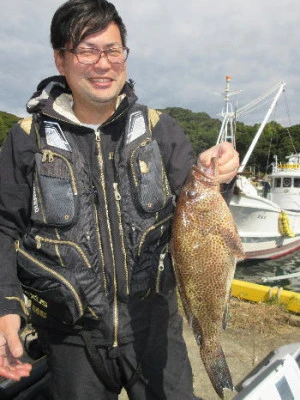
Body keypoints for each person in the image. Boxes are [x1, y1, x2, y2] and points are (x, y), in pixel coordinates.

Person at [0, 0, 239, 399]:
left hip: (154, 329)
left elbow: (199, 212)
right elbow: (4, 225)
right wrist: (6, 306)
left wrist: (221, 173)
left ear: (124, 55)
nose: (103, 63)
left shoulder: (160, 130)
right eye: (86, 51)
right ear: (60, 59)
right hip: (69, 337)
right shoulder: (26, 139)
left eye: (112, 50)